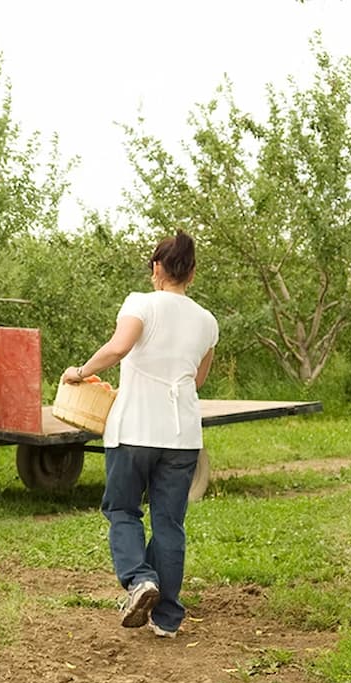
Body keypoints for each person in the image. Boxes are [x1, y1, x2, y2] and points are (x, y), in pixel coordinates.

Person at [61, 230, 218, 639]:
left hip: (134, 429)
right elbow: (197, 379)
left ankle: (139, 579)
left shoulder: (140, 304)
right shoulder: (207, 322)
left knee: (123, 510)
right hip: (183, 435)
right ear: (192, 273)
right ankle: (167, 618)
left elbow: (117, 348)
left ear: (156, 268)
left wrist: (79, 372)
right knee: (169, 523)